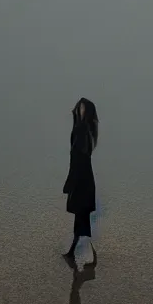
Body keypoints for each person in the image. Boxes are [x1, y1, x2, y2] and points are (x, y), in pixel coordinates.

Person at [62, 97, 99, 260]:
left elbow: (79, 157)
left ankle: (79, 250)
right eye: (79, 108)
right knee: (81, 215)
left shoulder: (83, 130)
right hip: (82, 176)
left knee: (81, 215)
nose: (79, 110)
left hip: (81, 177)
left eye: (83, 109)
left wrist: (71, 181)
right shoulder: (85, 129)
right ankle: (77, 250)